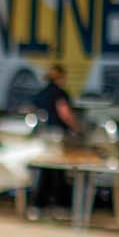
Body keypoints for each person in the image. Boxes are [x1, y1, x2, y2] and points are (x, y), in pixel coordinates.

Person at [31, 64, 81, 214]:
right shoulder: (59, 94)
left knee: (45, 169)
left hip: (42, 135)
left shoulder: (42, 93)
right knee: (59, 169)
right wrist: (77, 129)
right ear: (61, 77)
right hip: (56, 135)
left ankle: (39, 204)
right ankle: (61, 204)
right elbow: (65, 114)